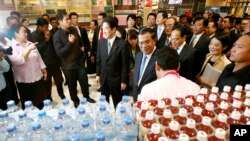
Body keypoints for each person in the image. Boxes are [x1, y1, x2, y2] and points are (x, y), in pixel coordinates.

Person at [53, 12, 95, 108]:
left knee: (84, 81)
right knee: (72, 85)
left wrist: (82, 49)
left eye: (69, 19)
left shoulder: (73, 30)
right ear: (60, 21)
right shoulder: (56, 35)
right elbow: (59, 53)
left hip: (80, 62)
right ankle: (75, 100)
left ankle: (87, 97)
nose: (69, 21)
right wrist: (70, 43)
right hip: (69, 65)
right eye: (66, 19)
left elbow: (80, 41)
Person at [8, 24, 47, 109]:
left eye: (26, 32)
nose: (26, 34)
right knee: (28, 104)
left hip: (37, 77)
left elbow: (38, 57)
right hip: (24, 81)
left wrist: (43, 69)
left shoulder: (30, 43)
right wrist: (29, 49)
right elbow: (19, 61)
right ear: (16, 33)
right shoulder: (11, 46)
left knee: (41, 100)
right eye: (24, 32)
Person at [96, 16, 130, 108]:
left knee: (117, 103)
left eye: (106, 28)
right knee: (104, 103)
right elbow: (99, 59)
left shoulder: (122, 44)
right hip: (104, 79)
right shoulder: (101, 42)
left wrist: (124, 81)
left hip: (116, 80)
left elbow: (125, 65)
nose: (104, 31)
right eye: (102, 29)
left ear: (114, 29)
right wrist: (98, 74)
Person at [132, 28, 157, 101]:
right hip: (136, 98)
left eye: (147, 42)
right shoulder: (138, 55)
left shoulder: (160, 58)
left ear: (154, 41)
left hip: (151, 100)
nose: (144, 46)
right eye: (141, 43)